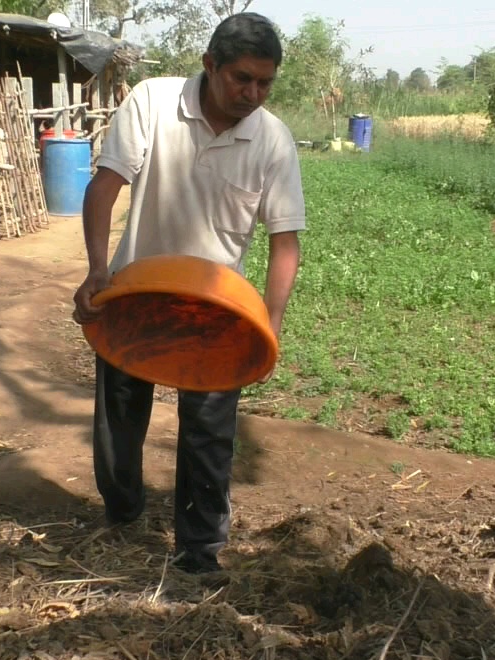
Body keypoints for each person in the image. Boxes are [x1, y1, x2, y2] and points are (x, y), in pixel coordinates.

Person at [71, 12, 306, 574]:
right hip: (137, 294)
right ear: (210, 65)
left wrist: (269, 324)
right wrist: (97, 271)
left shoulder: (271, 140)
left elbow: (285, 241)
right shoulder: (153, 103)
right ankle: (123, 509)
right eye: (241, 79)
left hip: (218, 312)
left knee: (209, 432)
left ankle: (199, 551)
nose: (253, 93)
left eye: (264, 83)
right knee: (119, 420)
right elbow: (104, 188)